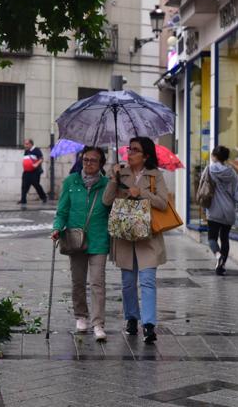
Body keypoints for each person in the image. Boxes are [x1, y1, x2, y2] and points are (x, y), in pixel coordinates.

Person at [103, 136, 169, 344]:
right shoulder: (119, 172)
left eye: (135, 150)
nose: (129, 153)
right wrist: (114, 179)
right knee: (128, 283)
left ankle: (149, 325)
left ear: (146, 155)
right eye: (129, 149)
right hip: (125, 236)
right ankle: (132, 318)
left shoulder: (155, 175)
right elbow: (106, 201)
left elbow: (163, 203)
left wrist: (141, 193)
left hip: (148, 237)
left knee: (148, 281)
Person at [52, 147, 111, 341]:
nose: (88, 163)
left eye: (93, 160)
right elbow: (62, 211)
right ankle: (80, 316)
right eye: (85, 159)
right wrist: (57, 228)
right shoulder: (71, 181)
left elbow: (114, 209)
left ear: (101, 163)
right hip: (75, 239)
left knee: (97, 283)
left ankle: (98, 324)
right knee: (78, 281)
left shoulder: (107, 184)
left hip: (99, 238)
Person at [205, 145, 238, 276]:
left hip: (214, 210)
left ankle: (218, 255)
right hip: (229, 211)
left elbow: (203, 188)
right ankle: (222, 266)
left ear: (214, 156)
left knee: (212, 238)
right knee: (225, 239)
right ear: (225, 158)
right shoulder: (232, 173)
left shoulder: (209, 169)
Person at [18, 139, 47, 205]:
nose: (25, 145)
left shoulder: (36, 150)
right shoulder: (26, 151)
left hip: (35, 171)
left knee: (36, 184)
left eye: (27, 144)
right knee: (24, 185)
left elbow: (41, 158)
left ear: (31, 144)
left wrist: (36, 164)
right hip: (26, 171)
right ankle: (23, 200)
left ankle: (43, 197)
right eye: (25, 144)